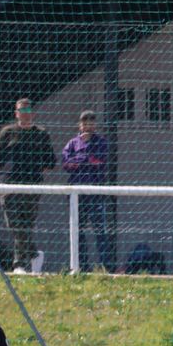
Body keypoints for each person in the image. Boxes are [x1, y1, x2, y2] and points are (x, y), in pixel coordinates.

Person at [0, 98, 56, 274]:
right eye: (22, 111)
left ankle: (19, 264)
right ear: (16, 113)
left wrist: (35, 169)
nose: (25, 114)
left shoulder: (41, 133)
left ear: (33, 114)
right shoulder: (7, 132)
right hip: (10, 184)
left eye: (28, 111)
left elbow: (50, 161)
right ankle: (34, 254)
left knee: (26, 223)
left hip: (32, 185)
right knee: (13, 222)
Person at [61, 109, 116, 273]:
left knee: (101, 231)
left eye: (91, 123)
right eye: (85, 123)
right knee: (78, 231)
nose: (87, 126)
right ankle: (80, 266)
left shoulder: (102, 142)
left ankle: (106, 267)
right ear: (80, 124)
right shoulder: (72, 143)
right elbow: (66, 163)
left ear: (95, 125)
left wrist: (82, 158)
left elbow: (99, 162)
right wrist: (84, 160)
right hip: (77, 195)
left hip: (95, 194)